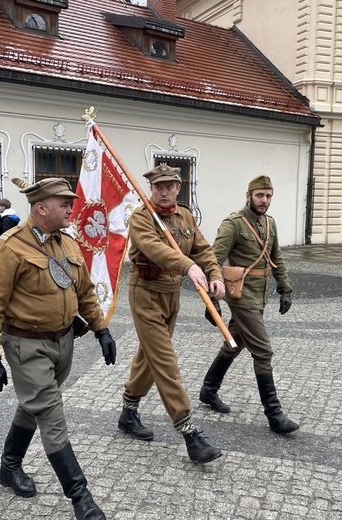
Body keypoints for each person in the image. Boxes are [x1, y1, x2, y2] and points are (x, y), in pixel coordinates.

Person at [0, 177, 116, 520]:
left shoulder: (67, 243)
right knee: (51, 414)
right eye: (64, 203)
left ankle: (9, 467)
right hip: (26, 345)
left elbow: (84, 292)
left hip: (63, 342)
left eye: (71, 202)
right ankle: (81, 498)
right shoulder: (9, 248)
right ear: (41, 208)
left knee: (33, 406)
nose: (71, 209)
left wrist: (101, 329)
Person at [118, 163, 226, 464]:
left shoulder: (185, 216)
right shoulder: (141, 217)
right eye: (158, 187)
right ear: (151, 189)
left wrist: (214, 273)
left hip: (171, 295)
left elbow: (203, 250)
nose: (163, 192)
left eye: (169, 186)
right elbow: (155, 249)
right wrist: (188, 266)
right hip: (145, 292)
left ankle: (128, 412)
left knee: (149, 357)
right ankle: (189, 431)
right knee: (165, 359)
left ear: (178, 188)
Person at [199, 175, 299, 435]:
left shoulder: (269, 223)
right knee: (263, 352)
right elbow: (214, 260)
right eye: (259, 195)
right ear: (248, 195)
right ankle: (274, 414)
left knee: (234, 343)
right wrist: (211, 299)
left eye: (268, 196)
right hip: (240, 296)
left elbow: (277, 257)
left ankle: (208, 390)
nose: (264, 200)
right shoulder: (234, 224)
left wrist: (284, 288)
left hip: (260, 295)